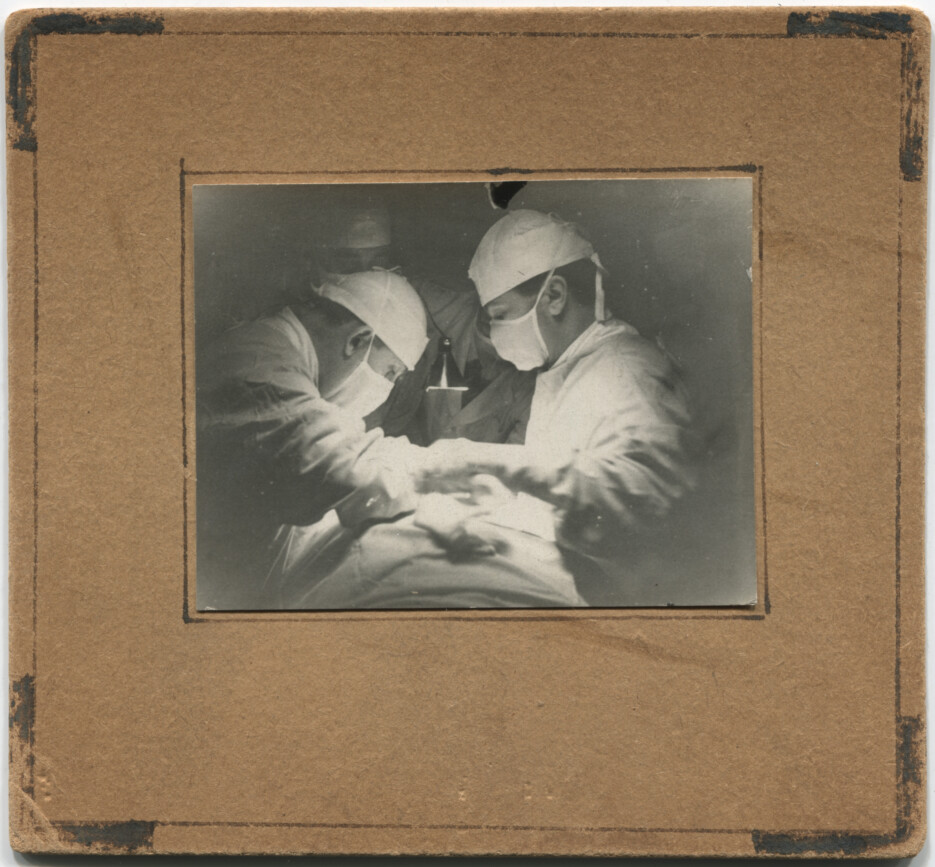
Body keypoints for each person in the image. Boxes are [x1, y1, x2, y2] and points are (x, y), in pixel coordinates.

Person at [422, 209, 696, 600]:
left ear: (553, 296)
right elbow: (567, 495)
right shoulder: (570, 367)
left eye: (500, 316)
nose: (495, 334)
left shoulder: (628, 370)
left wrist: (497, 465)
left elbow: (648, 503)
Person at [195, 269, 429, 609]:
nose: (388, 386)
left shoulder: (281, 354)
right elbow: (349, 469)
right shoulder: (260, 368)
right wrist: (477, 469)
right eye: (390, 372)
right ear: (357, 340)